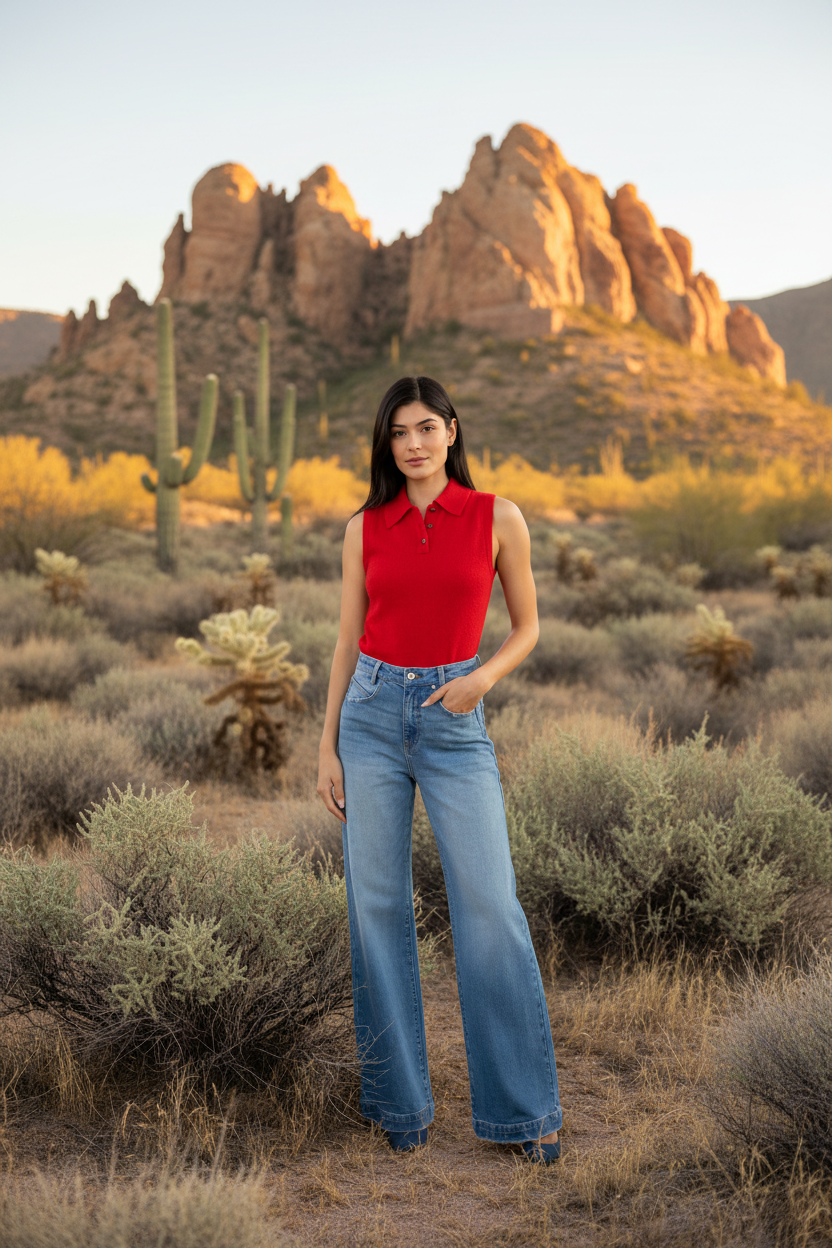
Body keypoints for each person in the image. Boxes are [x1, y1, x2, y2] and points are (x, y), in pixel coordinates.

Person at [316, 375, 562, 1164]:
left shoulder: (497, 517)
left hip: (456, 720)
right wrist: (327, 746)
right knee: (377, 910)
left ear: (452, 431)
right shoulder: (366, 527)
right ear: (385, 445)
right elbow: (348, 639)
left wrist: (482, 680)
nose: (414, 444)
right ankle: (400, 1105)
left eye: (427, 428)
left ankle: (523, 1112)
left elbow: (528, 628)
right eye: (399, 433)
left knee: (490, 907)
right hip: (371, 717)